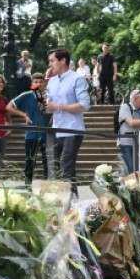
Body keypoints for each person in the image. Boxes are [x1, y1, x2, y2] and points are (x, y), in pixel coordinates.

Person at [45, 47, 91, 191]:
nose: (50, 64)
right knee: (55, 167)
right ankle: (59, 199)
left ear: (63, 60)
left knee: (66, 166)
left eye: (52, 61)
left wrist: (58, 106)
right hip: (55, 129)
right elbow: (49, 106)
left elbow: (84, 105)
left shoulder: (77, 78)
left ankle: (73, 199)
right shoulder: (51, 82)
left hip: (72, 129)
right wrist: (45, 107)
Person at [8, 72, 52, 184]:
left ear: (45, 83)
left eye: (41, 82)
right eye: (36, 82)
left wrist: (54, 117)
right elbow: (9, 107)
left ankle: (48, 184)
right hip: (31, 133)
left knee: (48, 161)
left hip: (47, 132)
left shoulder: (50, 96)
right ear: (32, 83)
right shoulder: (27, 95)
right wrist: (24, 115)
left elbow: (59, 108)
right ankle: (27, 184)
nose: (39, 84)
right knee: (30, 160)